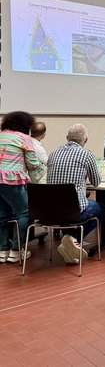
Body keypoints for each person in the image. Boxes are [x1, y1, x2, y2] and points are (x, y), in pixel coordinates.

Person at [47, 124, 105, 264]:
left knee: (70, 211)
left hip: (50, 211)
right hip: (74, 210)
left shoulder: (53, 153)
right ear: (86, 140)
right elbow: (96, 182)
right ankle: (73, 238)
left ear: (67, 138)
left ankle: (69, 244)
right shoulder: (86, 155)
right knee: (104, 209)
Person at [0, 111, 41, 263]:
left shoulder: (1, 135)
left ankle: (3, 250)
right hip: (11, 180)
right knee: (24, 212)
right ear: (26, 126)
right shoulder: (24, 138)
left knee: (3, 214)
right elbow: (32, 163)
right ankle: (17, 250)